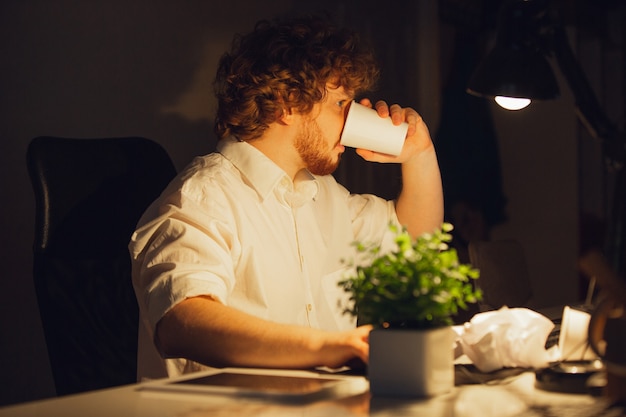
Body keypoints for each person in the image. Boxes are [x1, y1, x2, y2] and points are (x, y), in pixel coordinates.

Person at [129, 15, 443, 380]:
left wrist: (420, 153)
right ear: (287, 103)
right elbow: (180, 322)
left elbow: (415, 241)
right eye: (341, 104)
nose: (354, 120)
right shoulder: (202, 197)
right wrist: (334, 347)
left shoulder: (323, 195)